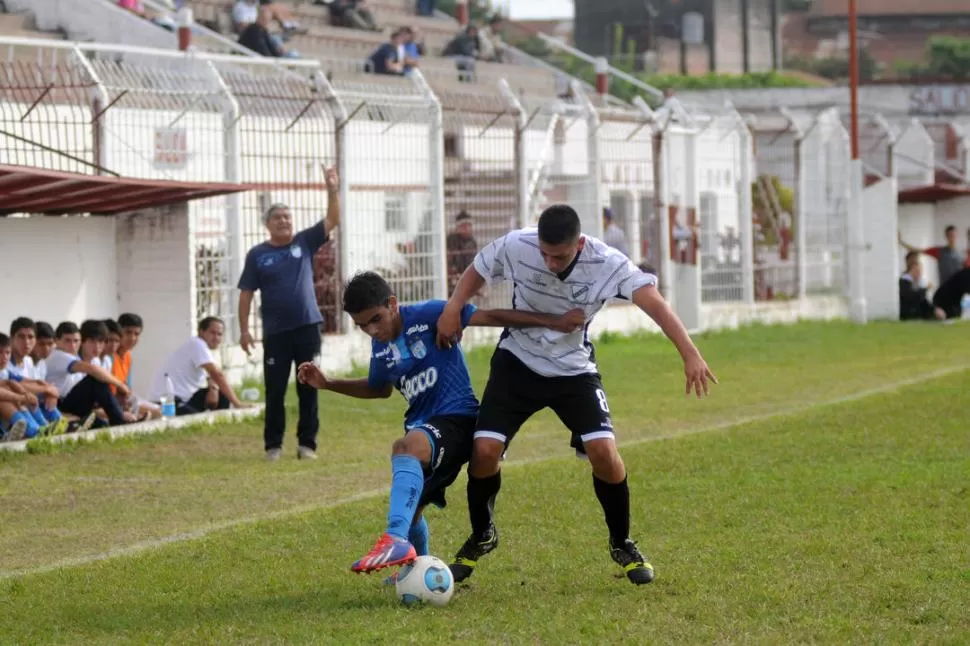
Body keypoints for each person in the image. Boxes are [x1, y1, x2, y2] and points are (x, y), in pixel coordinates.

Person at [436, 204, 717, 586]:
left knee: (604, 453)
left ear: (579, 244)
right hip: (517, 361)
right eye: (545, 254)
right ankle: (482, 534)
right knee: (484, 451)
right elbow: (477, 269)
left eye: (561, 256)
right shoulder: (517, 244)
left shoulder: (607, 262)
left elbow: (652, 301)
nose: (550, 263)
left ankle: (623, 543)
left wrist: (690, 353)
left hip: (573, 369)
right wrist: (454, 307)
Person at [296, 271, 584, 573]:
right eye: (361, 326)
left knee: (404, 448)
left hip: (457, 419)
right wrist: (328, 383)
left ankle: (394, 539)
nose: (371, 330)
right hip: (426, 429)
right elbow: (378, 389)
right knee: (413, 510)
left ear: (392, 304)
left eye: (375, 319)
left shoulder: (430, 314)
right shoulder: (380, 348)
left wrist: (553, 321)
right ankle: (418, 571)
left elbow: (490, 316)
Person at [238, 167, 340, 461]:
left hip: (307, 328)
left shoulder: (303, 242)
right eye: (277, 218)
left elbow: (333, 219)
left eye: (287, 217)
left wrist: (332, 189)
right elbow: (245, 294)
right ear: (267, 224)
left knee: (309, 386)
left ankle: (307, 445)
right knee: (275, 391)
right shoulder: (257, 254)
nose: (284, 221)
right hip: (276, 333)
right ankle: (273, 446)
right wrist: (244, 330)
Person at [149, 317, 249, 415]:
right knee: (196, 421)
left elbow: (214, 374)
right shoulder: (197, 344)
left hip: (185, 398)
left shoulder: (200, 347)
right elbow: (217, 374)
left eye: (219, 334)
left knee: (222, 395)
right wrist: (237, 403)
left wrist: (213, 388)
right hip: (168, 402)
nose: (216, 338)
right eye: (212, 333)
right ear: (201, 332)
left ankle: (221, 423)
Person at [899, 226, 966, 287]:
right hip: (945, 290)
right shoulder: (939, 252)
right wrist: (901, 242)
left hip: (959, 289)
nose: (952, 238)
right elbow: (917, 250)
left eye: (954, 235)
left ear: (957, 236)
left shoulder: (962, 254)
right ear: (946, 236)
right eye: (950, 235)